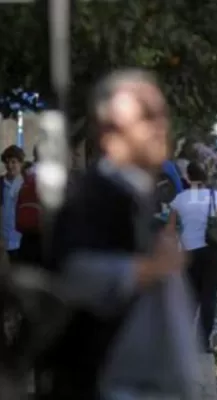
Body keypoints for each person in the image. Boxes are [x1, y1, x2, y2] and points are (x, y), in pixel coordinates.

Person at [46, 69, 192, 399]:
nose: (160, 127)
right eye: (146, 116)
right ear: (110, 133)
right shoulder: (95, 197)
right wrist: (150, 269)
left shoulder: (136, 195)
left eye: (162, 114)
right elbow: (72, 274)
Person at [167, 160, 217, 353]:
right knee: (209, 298)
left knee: (189, 298)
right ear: (205, 177)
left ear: (187, 178)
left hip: (188, 253)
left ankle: (183, 342)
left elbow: (169, 229)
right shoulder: (215, 197)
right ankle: (203, 342)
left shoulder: (180, 199)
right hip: (212, 252)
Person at [0, 145, 25, 263]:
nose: (10, 166)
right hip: (2, 239)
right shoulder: (1, 183)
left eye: (13, 162)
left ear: (21, 163)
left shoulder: (26, 184)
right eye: (7, 162)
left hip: (21, 240)